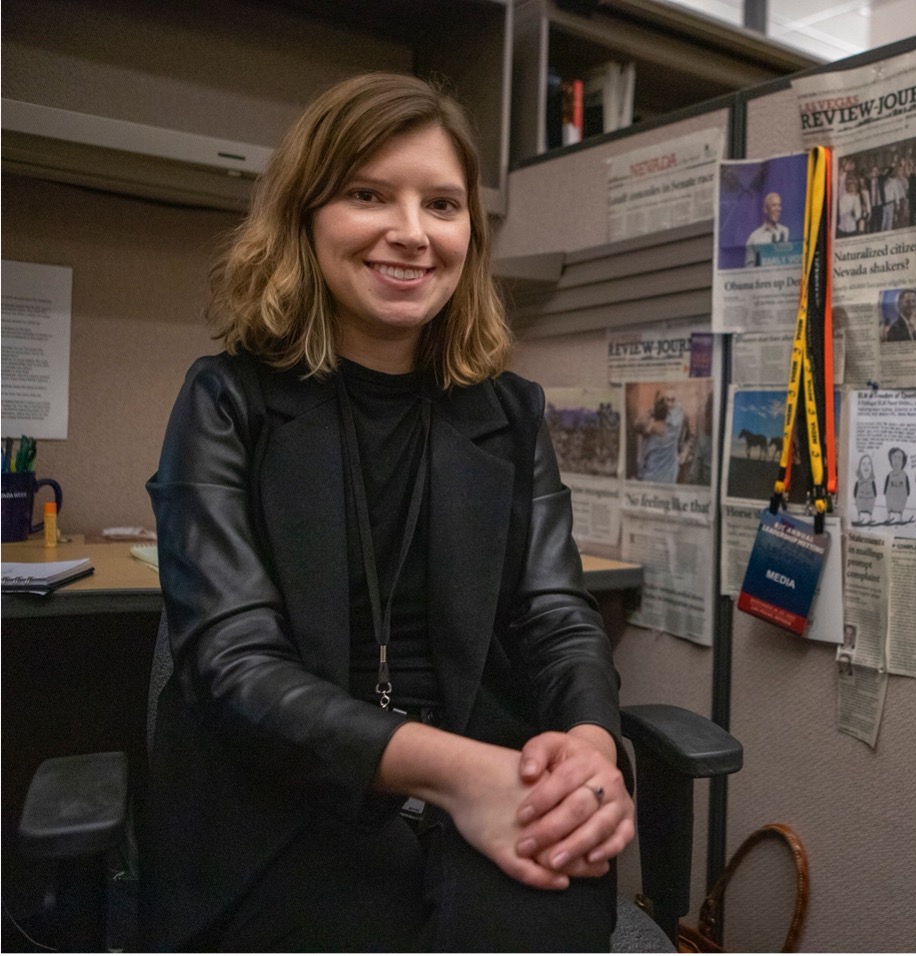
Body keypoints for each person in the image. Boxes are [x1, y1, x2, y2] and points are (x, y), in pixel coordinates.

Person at [143, 73, 634, 952]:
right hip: (286, 790)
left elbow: (556, 617)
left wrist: (591, 745)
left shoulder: (510, 413)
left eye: (442, 204)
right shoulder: (227, 401)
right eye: (368, 195)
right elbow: (233, 662)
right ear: (305, 217)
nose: (411, 232)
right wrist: (457, 775)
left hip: (493, 771)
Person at [633, 387, 690, 483]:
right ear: (663, 400)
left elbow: (688, 437)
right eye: (667, 400)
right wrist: (651, 426)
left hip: (670, 468)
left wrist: (685, 451)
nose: (669, 404)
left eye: (672, 400)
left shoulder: (682, 416)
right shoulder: (655, 412)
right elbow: (637, 424)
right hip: (653, 468)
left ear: (677, 401)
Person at [744, 191, 790, 266]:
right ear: (765, 209)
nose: (778, 209)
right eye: (774, 205)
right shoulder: (754, 238)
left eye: (779, 205)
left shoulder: (785, 232)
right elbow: (750, 269)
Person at [883, 446, 910, 522]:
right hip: (891, 497)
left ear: (903, 462)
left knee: (901, 505)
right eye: (894, 457)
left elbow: (907, 488)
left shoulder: (904, 475)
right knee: (889, 505)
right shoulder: (889, 475)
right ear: (890, 460)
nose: (896, 461)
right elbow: (885, 488)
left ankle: (900, 517)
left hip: (901, 497)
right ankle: (889, 517)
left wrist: (907, 493)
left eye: (899, 458)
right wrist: (885, 492)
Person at [852, 453, 878, 521]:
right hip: (860, 503)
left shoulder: (872, 482)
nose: (866, 466)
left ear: (872, 468)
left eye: (869, 464)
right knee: (859, 510)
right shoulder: (858, 483)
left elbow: (875, 494)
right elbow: (854, 494)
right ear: (859, 468)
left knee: (870, 510)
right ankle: (858, 518)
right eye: (863, 464)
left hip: (870, 502)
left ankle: (870, 518)